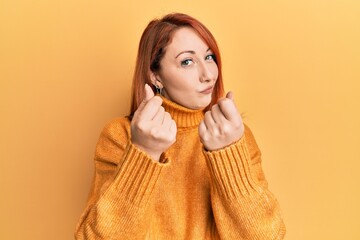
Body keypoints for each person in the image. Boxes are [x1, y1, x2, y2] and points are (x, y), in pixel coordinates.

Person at [75, 13, 286, 239]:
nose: (208, 75)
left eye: (209, 57)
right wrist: (143, 153)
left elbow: (267, 236)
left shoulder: (234, 134)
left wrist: (228, 154)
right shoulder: (120, 136)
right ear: (155, 76)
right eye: (187, 61)